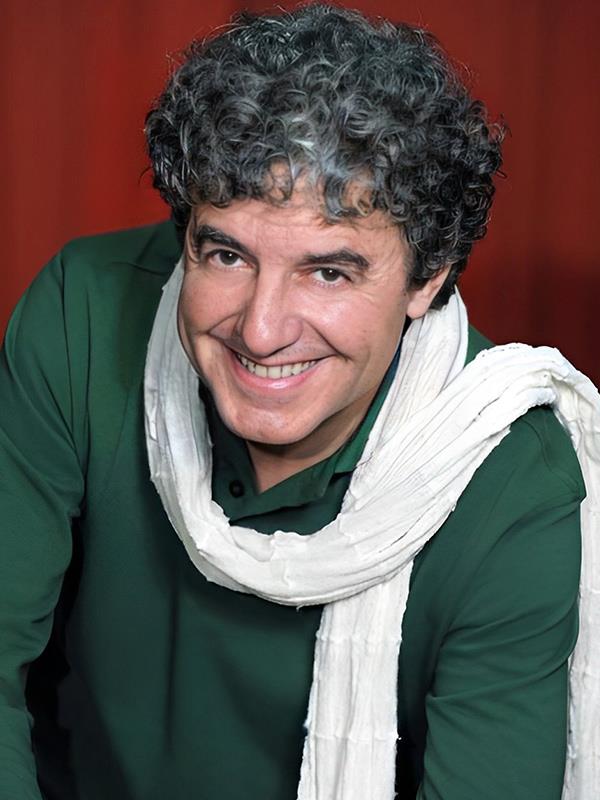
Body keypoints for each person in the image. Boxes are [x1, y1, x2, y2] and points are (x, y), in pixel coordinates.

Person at [1, 4, 597, 799]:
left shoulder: (514, 478)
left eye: (329, 272)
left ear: (427, 277)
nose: (262, 329)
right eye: (227, 255)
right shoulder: (84, 311)